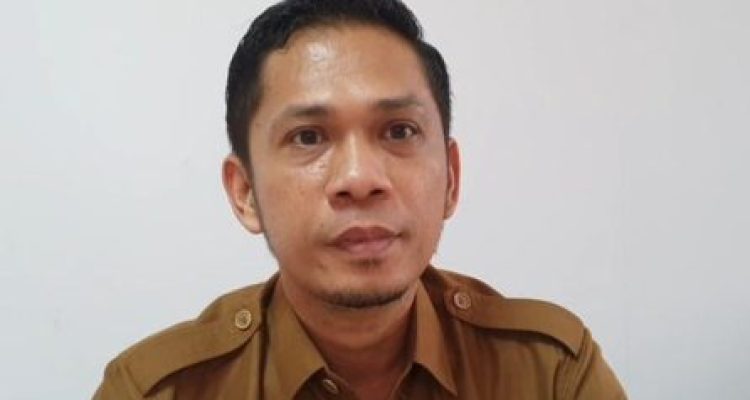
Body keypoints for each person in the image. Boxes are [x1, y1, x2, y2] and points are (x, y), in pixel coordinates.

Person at [93, 0, 627, 399]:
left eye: (398, 131)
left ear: (451, 179)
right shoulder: (156, 391)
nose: (359, 178)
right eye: (308, 137)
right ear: (245, 192)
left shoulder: (548, 373)